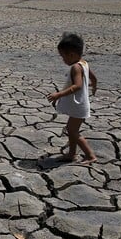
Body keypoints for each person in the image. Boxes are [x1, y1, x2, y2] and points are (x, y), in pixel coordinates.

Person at [47, 33, 98, 165]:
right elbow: (93, 78)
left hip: (79, 106)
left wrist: (59, 94)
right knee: (71, 129)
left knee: (73, 131)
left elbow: (77, 86)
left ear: (72, 55)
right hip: (80, 104)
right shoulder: (84, 63)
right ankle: (71, 154)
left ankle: (90, 155)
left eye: (63, 56)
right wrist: (94, 86)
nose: (63, 60)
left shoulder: (76, 67)